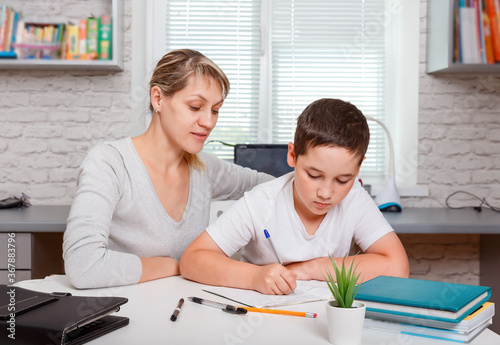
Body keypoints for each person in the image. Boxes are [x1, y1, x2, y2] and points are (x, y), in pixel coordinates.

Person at [63, 49, 273, 289]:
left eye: (215, 110)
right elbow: (83, 266)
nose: (209, 122)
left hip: (185, 310)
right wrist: (181, 265)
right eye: (195, 107)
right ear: (158, 99)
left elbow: (270, 185)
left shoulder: (205, 168)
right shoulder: (109, 163)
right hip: (122, 313)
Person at [180, 98, 409, 295]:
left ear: (358, 170)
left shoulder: (355, 200)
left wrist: (310, 269)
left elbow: (397, 267)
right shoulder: (262, 202)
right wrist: (255, 277)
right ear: (292, 156)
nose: (326, 193)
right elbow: (192, 261)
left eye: (342, 180)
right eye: (314, 175)